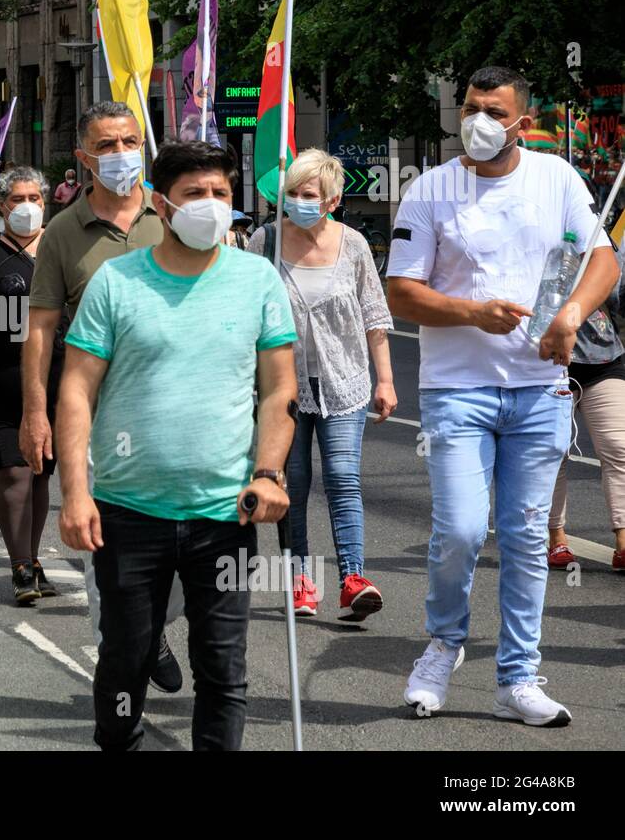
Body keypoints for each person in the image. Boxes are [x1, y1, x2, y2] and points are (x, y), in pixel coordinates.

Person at [387, 66, 620, 726]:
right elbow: (400, 290)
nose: (478, 121)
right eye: (469, 107)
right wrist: (470, 313)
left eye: (494, 110)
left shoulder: (556, 179)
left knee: (523, 536)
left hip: (539, 389)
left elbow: (602, 258)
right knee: (460, 528)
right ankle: (442, 644)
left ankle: (517, 677)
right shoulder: (430, 190)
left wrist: (572, 314)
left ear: (523, 120)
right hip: (457, 389)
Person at [57, 139, 297, 751]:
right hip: (128, 512)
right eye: (195, 194)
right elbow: (77, 392)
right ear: (161, 204)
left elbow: (278, 392)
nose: (211, 205)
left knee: (225, 669)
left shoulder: (257, 279)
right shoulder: (116, 282)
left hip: (226, 514)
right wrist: (76, 493)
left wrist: (268, 474)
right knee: (125, 662)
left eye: (221, 193)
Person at [20, 101, 179, 690]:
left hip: (177, 409)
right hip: (96, 412)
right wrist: (36, 413)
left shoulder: (172, 217)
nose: (120, 155)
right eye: (106, 146)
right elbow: (38, 330)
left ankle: (154, 623)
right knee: (100, 540)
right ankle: (122, 654)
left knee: (182, 536)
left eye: (130, 142)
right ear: (83, 158)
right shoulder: (62, 232)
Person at [248, 148, 396, 620]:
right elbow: (245, 309)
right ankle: (299, 579)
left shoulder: (352, 245)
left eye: (308, 194)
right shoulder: (264, 240)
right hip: (282, 390)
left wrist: (386, 380)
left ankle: (353, 578)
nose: (297, 201)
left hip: (344, 382)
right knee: (289, 482)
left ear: (331, 200)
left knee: (343, 477)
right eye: (291, 193)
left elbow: (374, 317)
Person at [0, 166, 60, 604]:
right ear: (1, 206)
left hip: (54, 377)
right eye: (17, 199)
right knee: (13, 471)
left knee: (40, 473)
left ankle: (34, 558)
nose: (27, 207)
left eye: (34, 198)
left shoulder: (59, 248)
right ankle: (19, 565)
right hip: (0, 379)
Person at [548, 242, 625, 571]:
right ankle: (555, 537)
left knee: (619, 448)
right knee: (553, 452)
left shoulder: (599, 238)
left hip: (603, 357)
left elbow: (619, 296)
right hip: (548, 361)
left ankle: (623, 541)